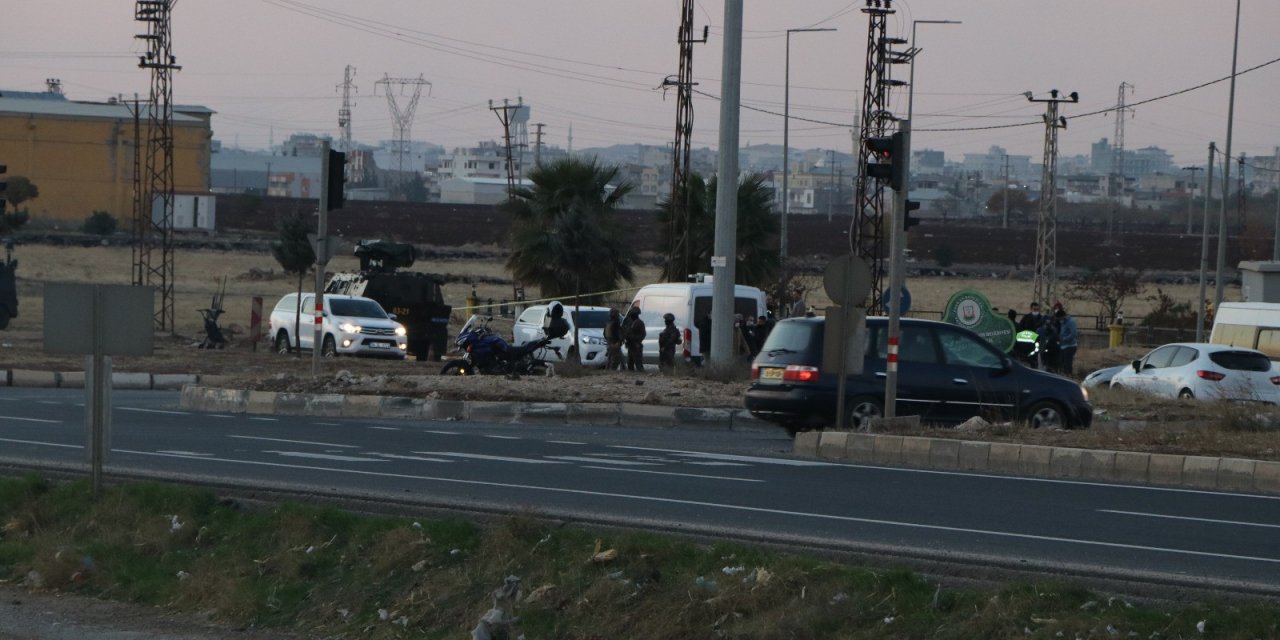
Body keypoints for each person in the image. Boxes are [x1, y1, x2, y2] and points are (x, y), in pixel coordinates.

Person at [1053, 304, 1078, 376]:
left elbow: (1073, 334)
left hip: (1070, 346)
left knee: (1067, 362)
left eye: (1059, 318)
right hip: (1063, 346)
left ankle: (1069, 375)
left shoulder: (1070, 322)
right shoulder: (1062, 322)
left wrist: (1064, 339)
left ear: (1062, 316)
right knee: (1062, 362)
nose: (1059, 320)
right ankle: (1065, 375)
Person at [622, 307, 646, 372]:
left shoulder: (639, 323)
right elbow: (623, 330)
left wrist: (636, 340)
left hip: (636, 344)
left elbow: (643, 334)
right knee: (630, 362)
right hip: (630, 344)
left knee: (638, 363)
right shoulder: (627, 321)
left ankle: (641, 374)